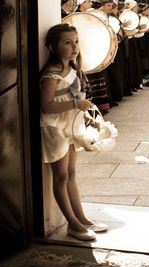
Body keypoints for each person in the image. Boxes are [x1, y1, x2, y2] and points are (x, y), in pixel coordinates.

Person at [40, 23, 109, 241]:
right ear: (52, 47)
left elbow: (75, 100)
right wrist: (75, 105)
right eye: (67, 42)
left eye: (76, 42)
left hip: (70, 126)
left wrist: (89, 117)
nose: (74, 47)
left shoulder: (72, 70)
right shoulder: (52, 75)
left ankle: (82, 218)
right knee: (60, 177)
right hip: (55, 128)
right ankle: (73, 225)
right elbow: (46, 106)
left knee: (71, 175)